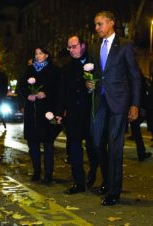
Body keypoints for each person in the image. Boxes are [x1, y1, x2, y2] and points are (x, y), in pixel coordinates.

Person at [86, 11, 141, 206]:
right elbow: (97, 74)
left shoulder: (125, 45)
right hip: (100, 101)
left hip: (119, 102)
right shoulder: (94, 47)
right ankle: (108, 179)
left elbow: (135, 77)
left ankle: (114, 191)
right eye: (95, 24)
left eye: (100, 24)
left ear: (111, 23)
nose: (97, 28)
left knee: (115, 146)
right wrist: (91, 83)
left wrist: (134, 104)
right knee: (96, 142)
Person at [17, 47, 62, 185]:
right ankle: (37, 171)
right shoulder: (30, 70)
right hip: (32, 111)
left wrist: (46, 93)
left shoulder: (54, 70)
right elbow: (21, 87)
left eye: (41, 53)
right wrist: (28, 96)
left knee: (48, 143)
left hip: (47, 111)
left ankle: (48, 173)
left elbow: (59, 90)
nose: (38, 56)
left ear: (47, 55)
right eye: (36, 53)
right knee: (33, 143)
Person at [61, 35, 100, 194]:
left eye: (74, 46)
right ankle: (78, 182)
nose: (71, 50)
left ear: (83, 45)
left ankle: (93, 169)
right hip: (73, 114)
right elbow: (61, 92)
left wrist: (93, 86)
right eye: (69, 47)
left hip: (91, 113)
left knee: (93, 146)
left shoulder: (95, 63)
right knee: (75, 149)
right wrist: (59, 112)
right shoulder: (67, 68)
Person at [130, 74, 152, 161]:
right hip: (133, 106)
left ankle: (141, 153)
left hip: (128, 105)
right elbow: (141, 92)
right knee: (136, 131)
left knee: (135, 131)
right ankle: (141, 153)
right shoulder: (137, 76)